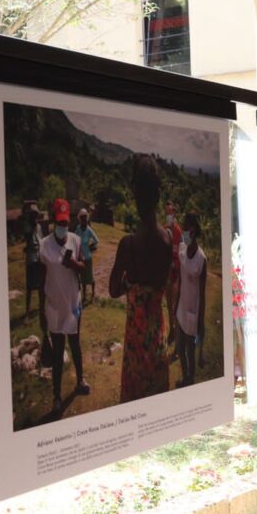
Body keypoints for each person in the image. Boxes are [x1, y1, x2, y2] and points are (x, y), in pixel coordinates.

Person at [110, 155, 171, 402]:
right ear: (157, 195)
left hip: (136, 343)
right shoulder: (167, 239)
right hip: (157, 338)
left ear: (135, 194)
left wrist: (127, 285)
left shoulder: (128, 245)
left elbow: (114, 289)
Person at [40, 197, 89, 416]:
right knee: (58, 351)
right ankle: (57, 396)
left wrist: (73, 264)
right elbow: (42, 280)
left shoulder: (76, 240)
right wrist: (42, 311)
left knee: (75, 344)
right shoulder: (44, 246)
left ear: (69, 221)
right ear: (53, 221)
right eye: (59, 223)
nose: (62, 227)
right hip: (54, 307)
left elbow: (83, 266)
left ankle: (80, 380)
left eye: (65, 223)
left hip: (73, 304)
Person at [174, 211, 207, 387]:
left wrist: (200, 322)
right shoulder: (182, 249)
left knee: (190, 350)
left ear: (192, 231)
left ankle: (190, 380)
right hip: (181, 308)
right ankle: (185, 376)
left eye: (185, 228)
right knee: (180, 348)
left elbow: (202, 294)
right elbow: (180, 279)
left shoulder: (202, 259)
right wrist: (175, 304)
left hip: (193, 312)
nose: (183, 232)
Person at [163, 199, 183, 347]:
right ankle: (172, 330)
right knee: (169, 304)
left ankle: (177, 333)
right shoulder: (164, 230)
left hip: (176, 273)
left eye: (171, 213)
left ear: (174, 214)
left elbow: (181, 254)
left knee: (175, 305)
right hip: (166, 273)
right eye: (167, 213)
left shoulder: (178, 232)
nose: (169, 215)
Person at [22, 204, 44, 328]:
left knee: (41, 285)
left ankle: (41, 309)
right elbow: (28, 238)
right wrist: (32, 227)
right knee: (30, 287)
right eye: (33, 215)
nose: (35, 217)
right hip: (31, 257)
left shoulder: (39, 227)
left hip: (38, 255)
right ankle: (27, 312)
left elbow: (41, 240)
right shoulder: (28, 226)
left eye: (36, 215)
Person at [75, 208, 99, 304]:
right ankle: (84, 296)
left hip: (88, 257)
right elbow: (75, 239)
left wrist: (91, 245)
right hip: (81, 257)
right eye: (82, 218)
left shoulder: (89, 230)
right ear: (80, 219)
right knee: (83, 278)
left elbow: (96, 240)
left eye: (85, 217)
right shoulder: (78, 228)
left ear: (87, 218)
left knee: (90, 277)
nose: (83, 219)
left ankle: (93, 295)